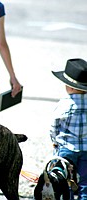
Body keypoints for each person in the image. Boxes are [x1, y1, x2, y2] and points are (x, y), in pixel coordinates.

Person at [50, 58, 87, 199]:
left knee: (65, 180)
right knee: (85, 182)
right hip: (86, 149)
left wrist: (54, 140)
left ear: (69, 86)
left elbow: (54, 125)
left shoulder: (64, 104)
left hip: (66, 147)